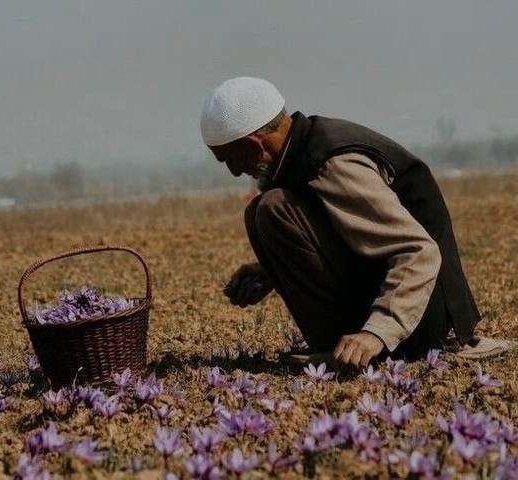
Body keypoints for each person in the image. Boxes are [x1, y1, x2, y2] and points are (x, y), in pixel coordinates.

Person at [200, 76, 515, 368]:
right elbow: (346, 230)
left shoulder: (333, 164)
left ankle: (355, 349)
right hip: (394, 297)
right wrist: (269, 271)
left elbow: (419, 251)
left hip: (422, 317)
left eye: (230, 159)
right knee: (260, 212)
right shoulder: (301, 152)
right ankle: (339, 346)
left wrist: (376, 333)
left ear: (256, 145)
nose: (234, 172)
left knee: (272, 208)